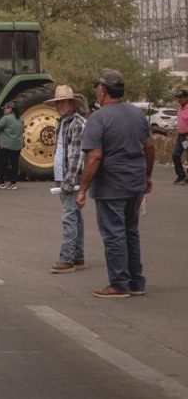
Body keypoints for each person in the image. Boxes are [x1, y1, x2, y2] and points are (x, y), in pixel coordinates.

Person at [76, 68, 154, 299]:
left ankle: (119, 284)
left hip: (111, 186)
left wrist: (83, 189)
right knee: (131, 232)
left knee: (114, 234)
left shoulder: (98, 118)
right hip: (135, 184)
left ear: (103, 91)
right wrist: (147, 176)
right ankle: (136, 281)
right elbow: (149, 147)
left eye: (97, 88)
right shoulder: (137, 114)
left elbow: (95, 157)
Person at [45, 85, 87, 274]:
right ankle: (77, 256)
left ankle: (67, 259)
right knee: (75, 217)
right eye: (57, 102)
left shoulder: (77, 123)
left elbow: (77, 156)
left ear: (71, 103)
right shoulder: (64, 122)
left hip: (71, 178)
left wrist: (68, 182)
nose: (59, 106)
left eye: (62, 102)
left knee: (69, 217)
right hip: (64, 176)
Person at [0, 102, 24, 189]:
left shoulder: (6, 118)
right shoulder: (20, 119)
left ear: (10, 109)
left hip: (6, 145)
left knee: (3, 164)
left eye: (5, 108)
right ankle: (13, 183)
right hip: (17, 145)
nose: (4, 110)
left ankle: (1, 182)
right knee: (14, 164)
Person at [172, 88, 188, 184]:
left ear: (186, 98)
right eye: (178, 98)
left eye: (181, 98)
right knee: (175, 154)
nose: (179, 100)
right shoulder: (180, 108)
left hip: (187, 136)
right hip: (180, 136)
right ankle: (181, 175)